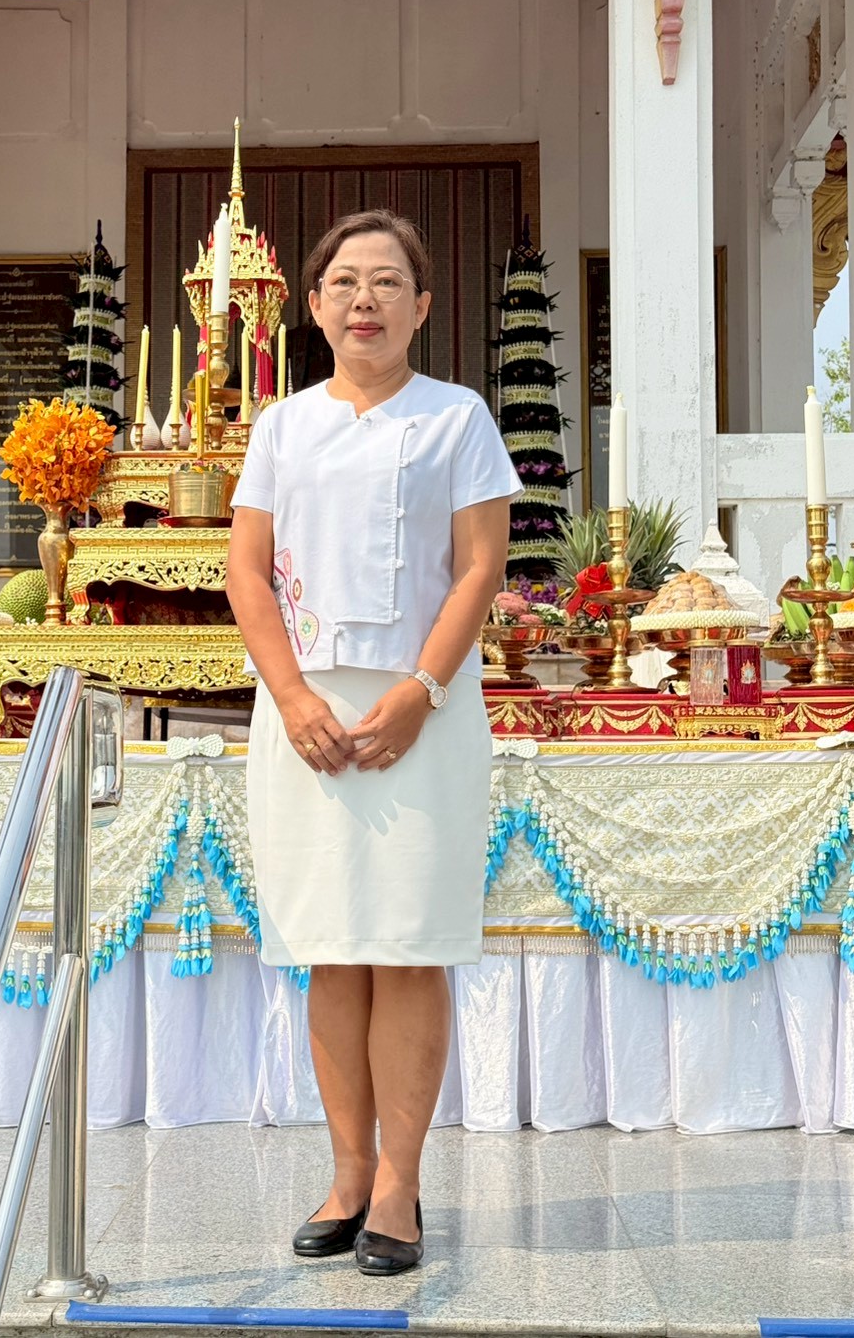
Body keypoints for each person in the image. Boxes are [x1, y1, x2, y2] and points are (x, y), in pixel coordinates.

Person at [226, 209, 520, 1276]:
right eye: (344, 281)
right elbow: (246, 572)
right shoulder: (282, 426)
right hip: (302, 717)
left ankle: (399, 1183)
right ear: (311, 306)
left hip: (422, 715)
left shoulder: (458, 419)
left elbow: (479, 568)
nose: (365, 298)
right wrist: (296, 695)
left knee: (405, 942)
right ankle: (346, 1173)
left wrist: (419, 689)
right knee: (329, 946)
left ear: (422, 306)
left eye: (388, 281)